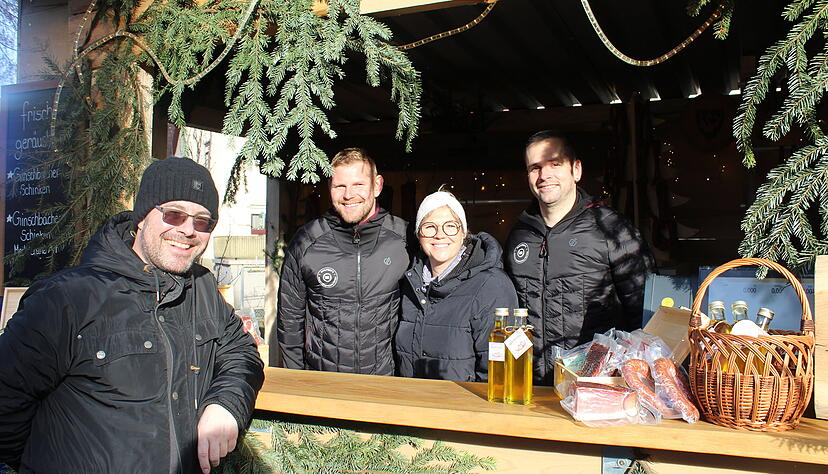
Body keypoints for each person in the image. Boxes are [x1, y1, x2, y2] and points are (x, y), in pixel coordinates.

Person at [0, 157, 265, 473]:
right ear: (142, 217)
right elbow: (6, 405)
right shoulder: (68, 298)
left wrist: (225, 405)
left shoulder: (201, 288)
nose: (188, 230)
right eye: (174, 214)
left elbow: (241, 353)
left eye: (202, 221)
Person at [505, 131, 655, 385]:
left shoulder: (610, 228)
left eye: (555, 164)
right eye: (535, 168)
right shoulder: (520, 235)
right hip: (532, 386)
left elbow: (645, 312)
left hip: (595, 386)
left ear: (576, 170)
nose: (544, 175)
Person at [277, 148, 408, 374]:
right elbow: (290, 321)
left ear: (377, 186)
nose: (349, 195)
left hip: (386, 382)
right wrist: (296, 380)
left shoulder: (403, 240)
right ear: (330, 188)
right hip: (323, 381)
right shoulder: (307, 241)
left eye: (358, 185)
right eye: (340, 186)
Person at [395, 190, 518, 382]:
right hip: (413, 405)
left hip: (465, 408)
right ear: (419, 234)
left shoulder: (491, 286)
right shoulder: (410, 284)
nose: (440, 235)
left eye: (450, 226)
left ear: (463, 233)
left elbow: (501, 372)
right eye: (429, 227)